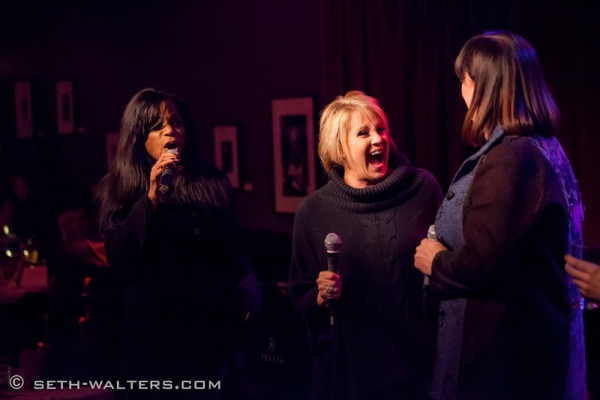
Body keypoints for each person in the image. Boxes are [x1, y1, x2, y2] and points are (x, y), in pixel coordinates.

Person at [414, 31, 586, 400]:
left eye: (465, 79)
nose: (461, 90)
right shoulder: (544, 148)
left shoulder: (511, 157)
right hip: (530, 355)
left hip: (503, 363)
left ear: (483, 87)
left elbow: (485, 264)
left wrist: (436, 261)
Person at [94, 88, 259, 399]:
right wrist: (152, 198)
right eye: (158, 125)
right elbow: (120, 259)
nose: (171, 130)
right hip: (147, 342)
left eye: (177, 122)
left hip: (203, 338)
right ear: (139, 137)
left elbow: (231, 251)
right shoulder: (119, 189)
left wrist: (246, 287)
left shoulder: (211, 183)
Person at [288, 91, 443, 399]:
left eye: (381, 129)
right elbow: (299, 294)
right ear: (340, 150)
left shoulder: (423, 189)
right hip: (350, 378)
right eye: (364, 133)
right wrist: (319, 295)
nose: (378, 139)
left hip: (421, 371)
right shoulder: (314, 211)